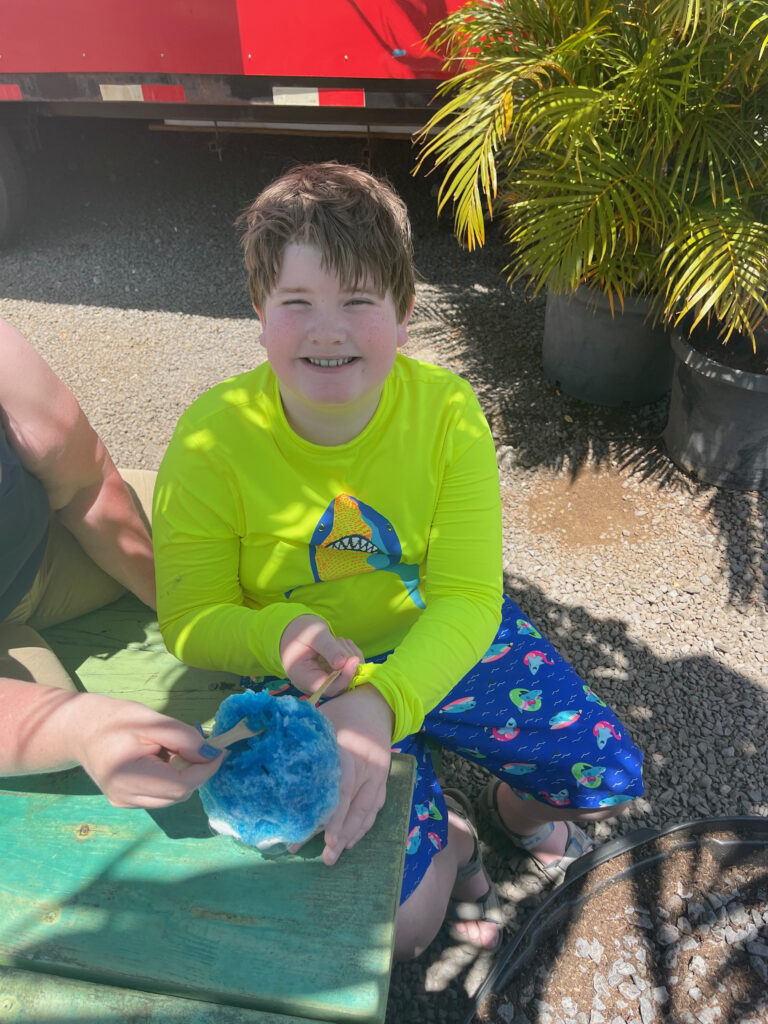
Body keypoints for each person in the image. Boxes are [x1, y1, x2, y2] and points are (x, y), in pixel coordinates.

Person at [152, 163, 644, 957]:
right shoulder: (210, 440)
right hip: (304, 672)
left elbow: (467, 595)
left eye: (358, 301)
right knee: (407, 928)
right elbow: (190, 618)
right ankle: (456, 839)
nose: (328, 330)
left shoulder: (447, 415)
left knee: (604, 776)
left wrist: (384, 704)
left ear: (405, 312)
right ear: (259, 311)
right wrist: (276, 636)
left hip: (440, 639)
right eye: (298, 303)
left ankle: (517, 812)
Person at [0, 318, 225, 806]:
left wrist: (181, 606)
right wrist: (83, 728)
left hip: (44, 553)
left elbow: (88, 483)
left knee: (215, 517)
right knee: (66, 794)